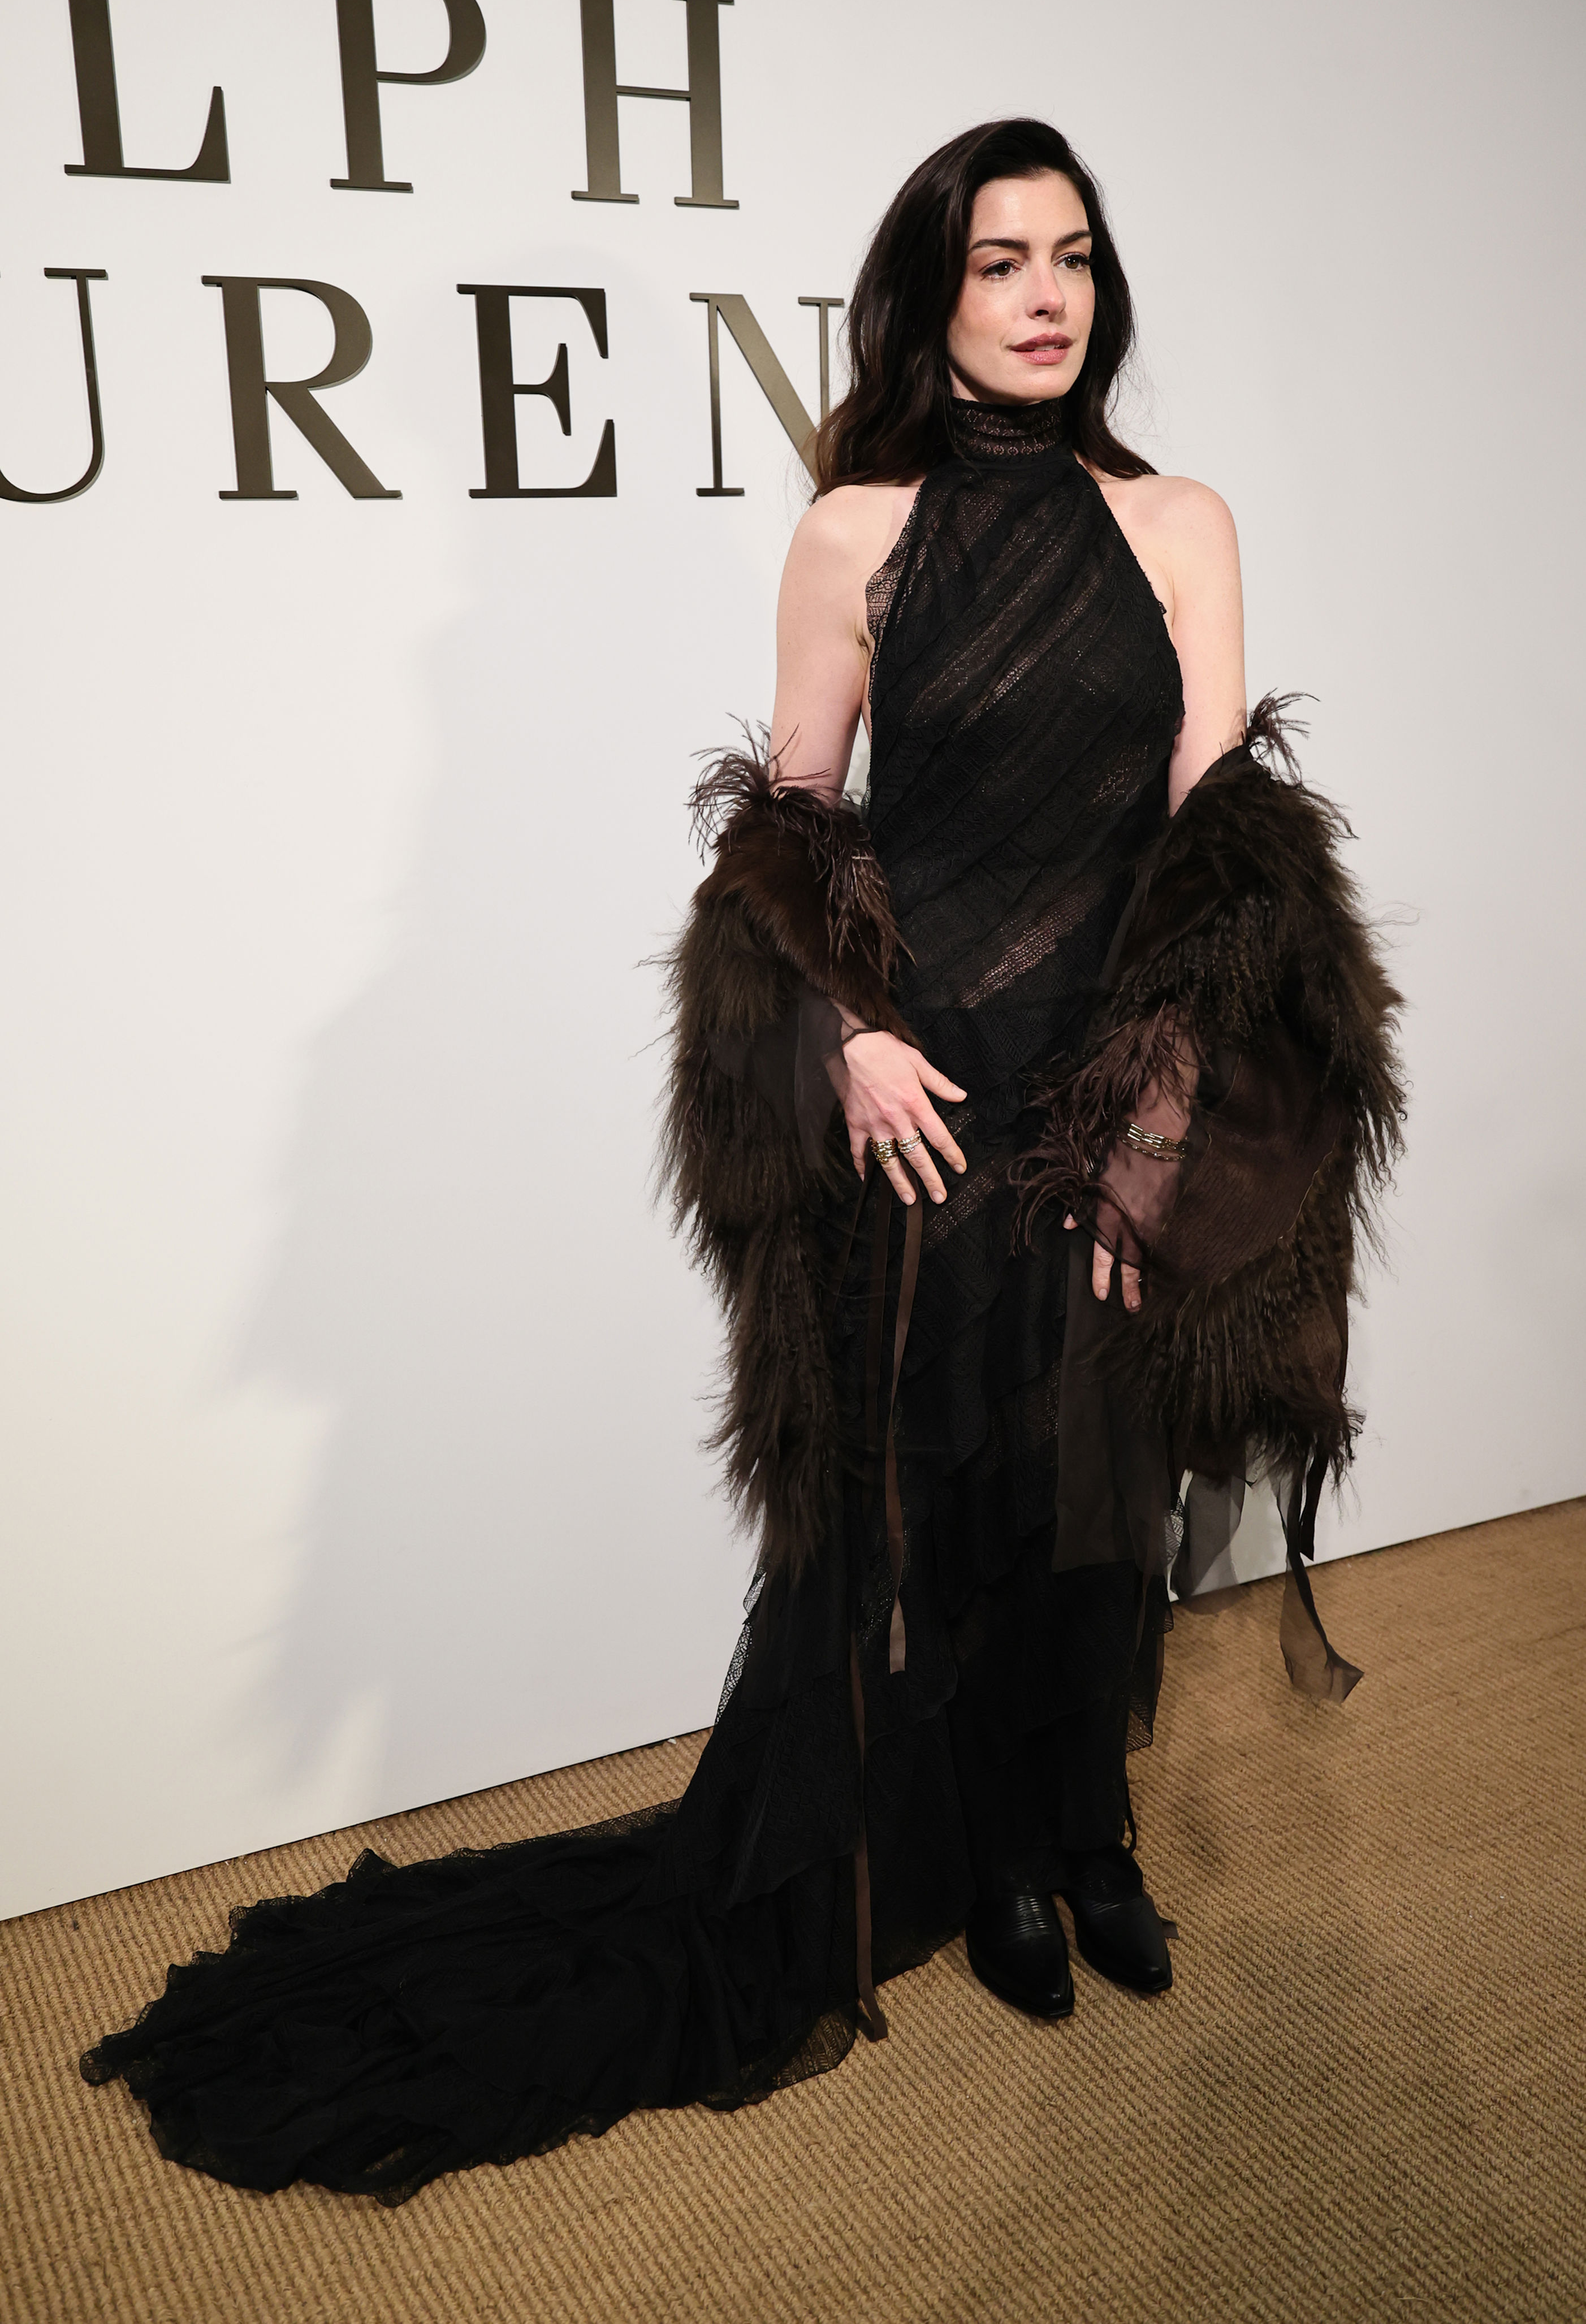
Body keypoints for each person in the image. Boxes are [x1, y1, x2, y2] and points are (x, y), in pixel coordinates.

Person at [83, 119, 1403, 2202]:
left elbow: (1219, 817)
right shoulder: (854, 531)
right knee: (941, 1476)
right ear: (931, 294)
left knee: (1101, 1473)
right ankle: (997, 1863)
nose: (1044, 297)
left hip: (1110, 1080)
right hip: (931, 1091)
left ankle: (1087, 1833)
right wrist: (849, 1037)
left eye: (1072, 257)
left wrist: (1169, 1096)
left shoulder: (1182, 523)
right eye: (1000, 262)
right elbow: (790, 827)